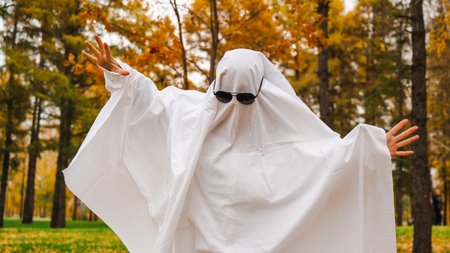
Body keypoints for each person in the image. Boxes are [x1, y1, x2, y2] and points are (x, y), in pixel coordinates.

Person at [62, 34, 419, 253]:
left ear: (263, 95)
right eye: (223, 95)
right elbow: (151, 108)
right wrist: (122, 75)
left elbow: (328, 161)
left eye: (245, 98)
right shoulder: (191, 120)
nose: (232, 106)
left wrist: (372, 148)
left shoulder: (286, 143)